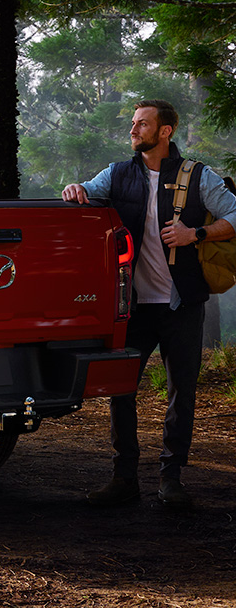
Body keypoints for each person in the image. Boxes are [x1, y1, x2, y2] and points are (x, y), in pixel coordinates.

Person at [62, 99, 236, 508]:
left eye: (142, 124)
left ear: (165, 132)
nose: (133, 130)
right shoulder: (119, 174)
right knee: (121, 390)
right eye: (133, 124)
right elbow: (85, 191)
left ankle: (171, 479)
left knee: (182, 392)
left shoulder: (198, 176)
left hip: (182, 305)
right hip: (134, 307)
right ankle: (124, 478)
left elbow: (235, 213)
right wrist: (75, 190)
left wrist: (197, 234)